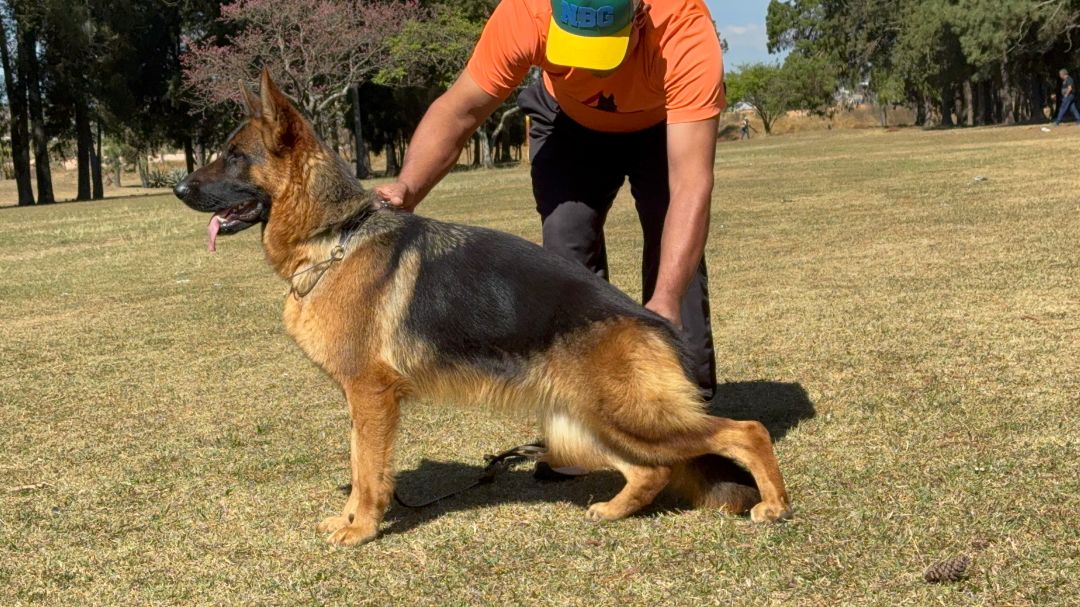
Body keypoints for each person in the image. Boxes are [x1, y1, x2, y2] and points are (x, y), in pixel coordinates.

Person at [375, 0, 723, 402]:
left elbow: (690, 185)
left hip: (662, 126)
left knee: (674, 258)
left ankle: (685, 413)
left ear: (639, 14)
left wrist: (665, 300)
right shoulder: (526, 11)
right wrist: (407, 188)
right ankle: (583, 411)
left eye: (601, 47)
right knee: (566, 242)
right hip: (569, 123)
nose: (590, 68)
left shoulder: (682, 26)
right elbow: (459, 112)